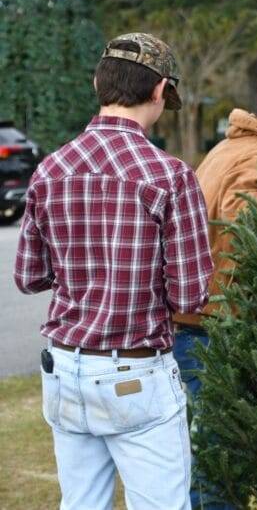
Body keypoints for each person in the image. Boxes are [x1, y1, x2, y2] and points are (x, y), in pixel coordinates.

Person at [14, 32, 213, 509]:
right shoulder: (169, 175)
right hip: (134, 370)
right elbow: (189, 296)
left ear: (97, 83)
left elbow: (28, 275)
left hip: (64, 366)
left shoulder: (50, 169)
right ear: (161, 91)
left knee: (80, 503)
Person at [171, 71, 257, 508]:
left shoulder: (227, 146)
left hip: (195, 317)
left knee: (206, 444)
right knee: (219, 447)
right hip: (213, 322)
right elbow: (239, 210)